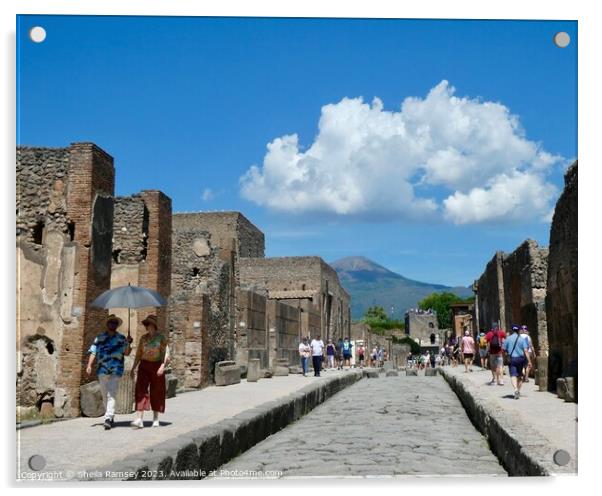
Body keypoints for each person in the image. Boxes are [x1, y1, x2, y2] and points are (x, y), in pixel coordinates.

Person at [86, 314, 133, 430]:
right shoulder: (100, 337)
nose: (113, 324)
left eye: (115, 323)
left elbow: (126, 353)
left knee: (111, 393)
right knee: (104, 394)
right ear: (107, 324)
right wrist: (89, 365)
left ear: (117, 325)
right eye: (111, 322)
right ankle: (110, 416)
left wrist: (129, 343)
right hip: (102, 369)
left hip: (116, 369)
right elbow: (93, 351)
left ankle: (108, 418)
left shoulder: (122, 339)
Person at [130, 315, 170, 428]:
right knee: (141, 390)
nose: (149, 327)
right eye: (147, 324)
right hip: (144, 365)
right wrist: (133, 368)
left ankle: (156, 418)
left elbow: (166, 354)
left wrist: (163, 367)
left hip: (157, 365)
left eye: (151, 324)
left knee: (156, 391)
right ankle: (139, 419)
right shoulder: (143, 338)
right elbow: (138, 354)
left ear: (155, 326)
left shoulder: (161, 338)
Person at [504, 325, 532, 399]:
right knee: (520, 375)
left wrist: (507, 355)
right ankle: (518, 390)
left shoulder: (508, 339)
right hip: (521, 359)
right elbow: (526, 351)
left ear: (512, 330)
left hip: (512, 359)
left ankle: (515, 389)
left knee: (513, 375)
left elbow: (504, 349)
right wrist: (529, 361)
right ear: (519, 330)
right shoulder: (522, 339)